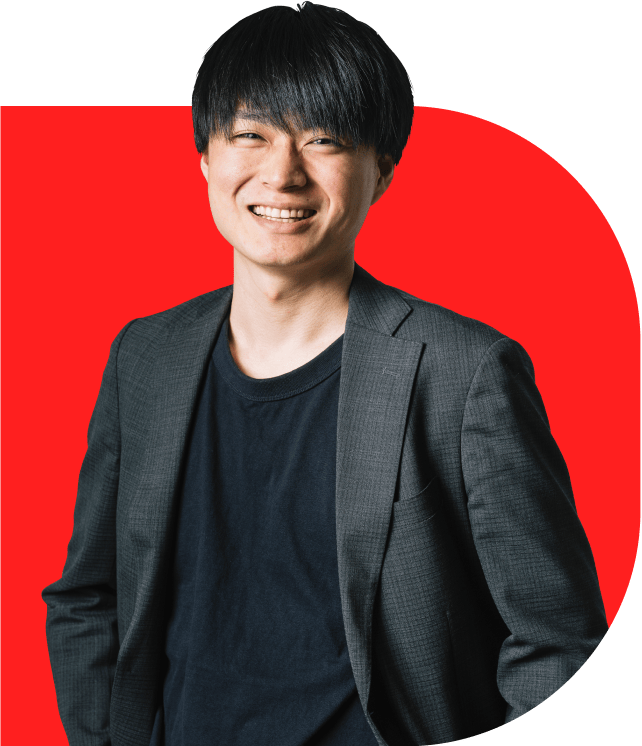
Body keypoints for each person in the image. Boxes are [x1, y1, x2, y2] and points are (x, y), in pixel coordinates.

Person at [42, 3, 608, 745]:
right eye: (251, 134)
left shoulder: (464, 373)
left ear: (383, 171)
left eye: (324, 139)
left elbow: (560, 643)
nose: (283, 173)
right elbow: (89, 596)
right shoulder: (145, 356)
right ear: (205, 157)